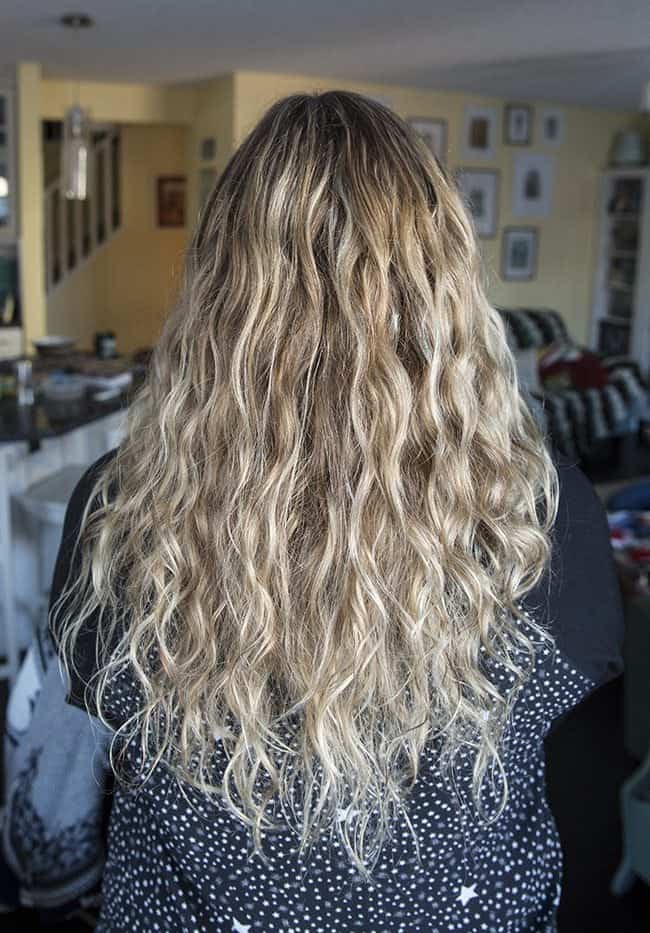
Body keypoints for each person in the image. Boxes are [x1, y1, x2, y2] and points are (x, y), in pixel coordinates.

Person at [41, 91, 623, 932]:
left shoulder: (116, 510)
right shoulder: (541, 513)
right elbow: (576, 688)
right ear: (443, 285)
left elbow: (105, 704)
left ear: (218, 286)